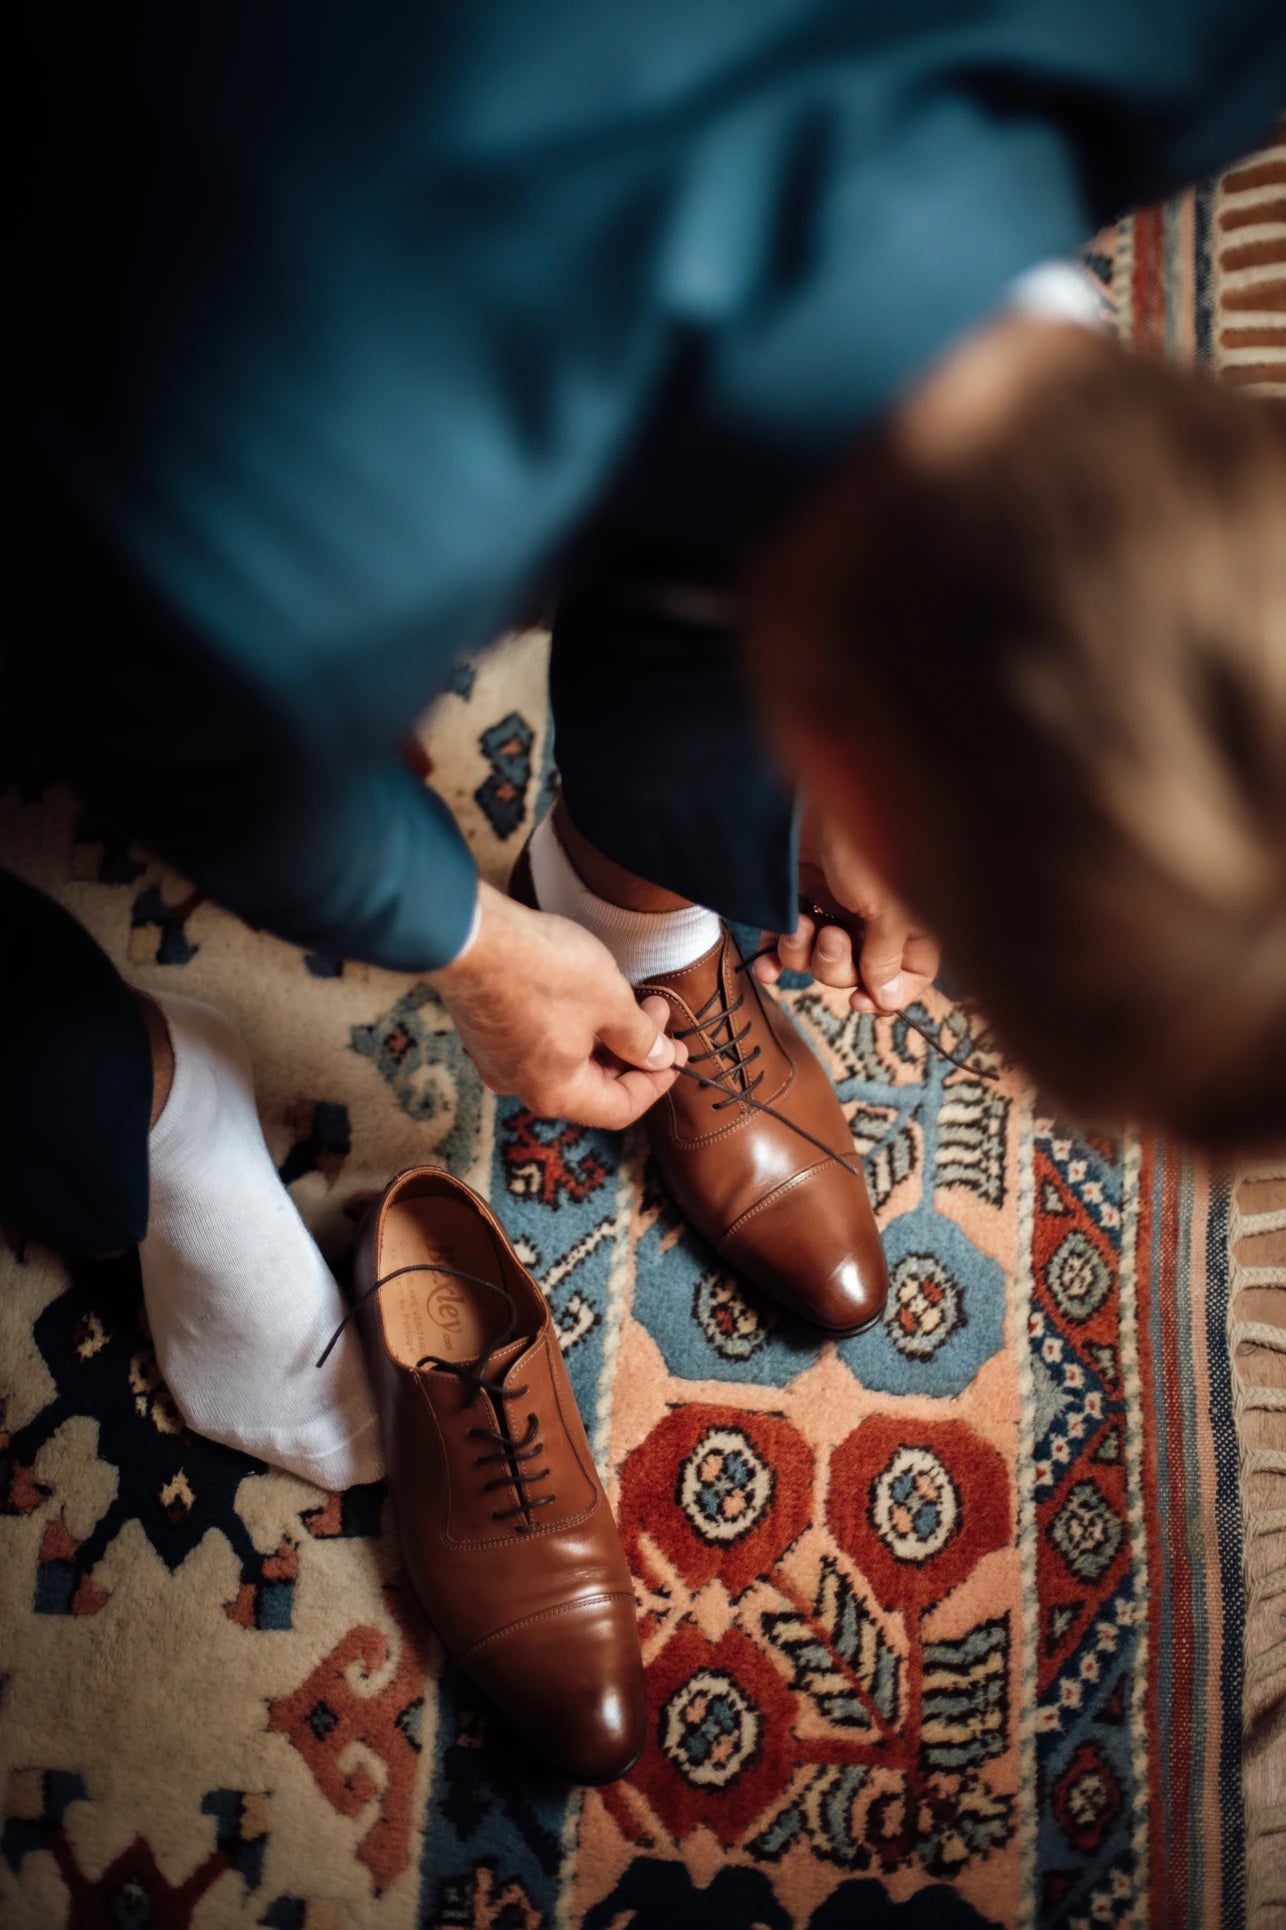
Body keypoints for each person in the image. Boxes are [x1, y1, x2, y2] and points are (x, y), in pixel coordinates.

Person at [5, 2, 1286, 1484]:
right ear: (860, 769)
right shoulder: (261, 574)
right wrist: (477, 954)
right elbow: (227, 777)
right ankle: (144, 1111)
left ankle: (631, 904)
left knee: (796, 502)